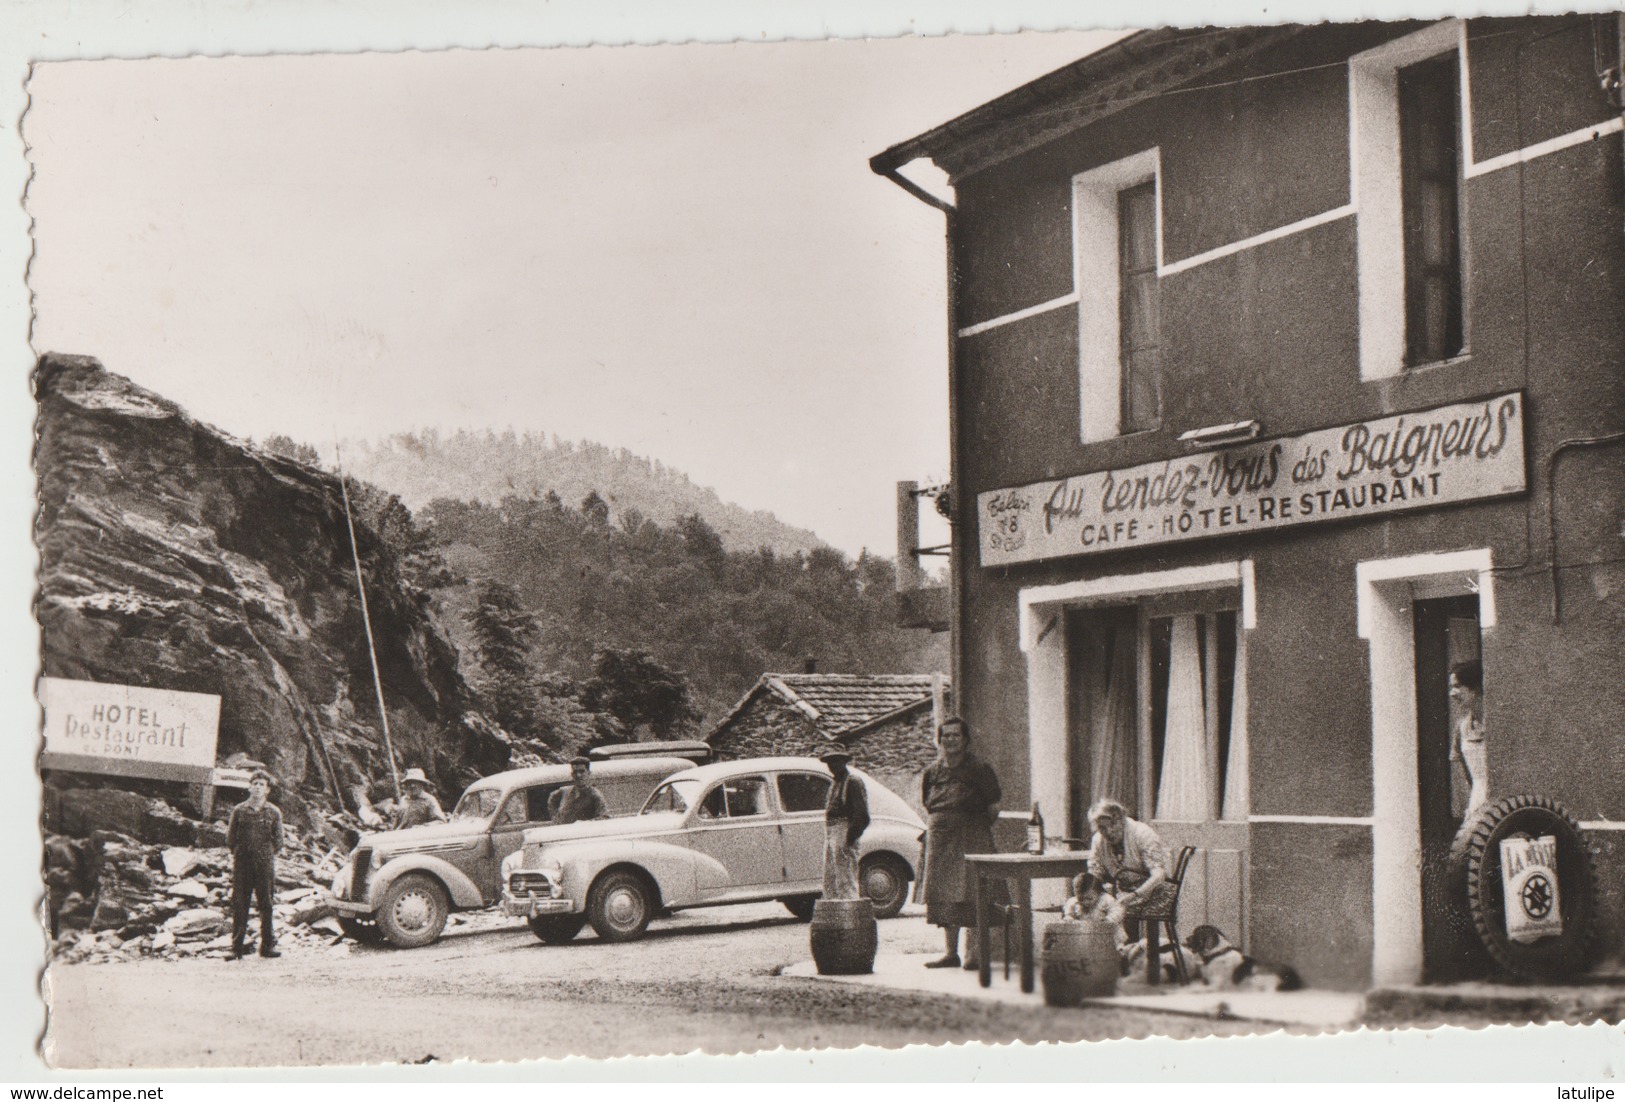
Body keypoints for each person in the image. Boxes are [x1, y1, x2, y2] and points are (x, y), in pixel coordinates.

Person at [919, 716, 1002, 970]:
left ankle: (975, 953)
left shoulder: (979, 768)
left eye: (956, 735)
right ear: (939, 740)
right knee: (945, 896)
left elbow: (994, 807)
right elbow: (927, 802)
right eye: (946, 736)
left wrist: (973, 828)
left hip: (971, 838)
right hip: (941, 840)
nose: (950, 740)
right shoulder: (932, 772)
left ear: (965, 740)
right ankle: (950, 953)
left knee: (973, 893)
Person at [1084, 797, 1176, 922]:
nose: (1109, 831)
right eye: (1102, 828)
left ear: (1121, 820)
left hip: (1156, 892)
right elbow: (1095, 872)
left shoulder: (1143, 834)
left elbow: (1158, 875)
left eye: (1112, 825)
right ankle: (1116, 940)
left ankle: (1124, 941)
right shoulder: (1098, 840)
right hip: (1124, 892)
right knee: (1094, 908)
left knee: (1114, 910)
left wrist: (1134, 895)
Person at [227, 769, 284, 960]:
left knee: (266, 904)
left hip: (264, 864)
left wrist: (264, 855)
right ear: (249, 787)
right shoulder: (239, 810)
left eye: (262, 785)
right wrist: (241, 854)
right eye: (255, 784)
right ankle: (236, 948)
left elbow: (279, 841)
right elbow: (231, 839)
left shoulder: (274, 812)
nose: (258, 787)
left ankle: (267, 947)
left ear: (267, 790)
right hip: (242, 864)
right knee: (240, 904)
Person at [820, 749, 870, 900]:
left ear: (844, 762)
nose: (832, 765)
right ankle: (835, 915)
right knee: (830, 878)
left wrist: (850, 837)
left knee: (846, 878)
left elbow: (862, 815)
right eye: (830, 762)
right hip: (831, 831)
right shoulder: (835, 783)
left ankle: (852, 914)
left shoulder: (852, 782)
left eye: (836, 761)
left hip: (844, 829)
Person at [1449, 660, 1488, 815]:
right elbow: (1466, 774)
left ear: (1476, 687)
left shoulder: (1499, 725)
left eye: (1457, 686)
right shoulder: (1462, 727)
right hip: (1477, 801)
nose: (1452, 693)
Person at [548, 756, 609, 824]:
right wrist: (555, 818)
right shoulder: (564, 791)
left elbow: (604, 817)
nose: (578, 775)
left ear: (588, 773)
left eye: (582, 772)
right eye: (575, 772)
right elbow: (552, 799)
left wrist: (585, 823)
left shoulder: (595, 796)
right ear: (572, 774)